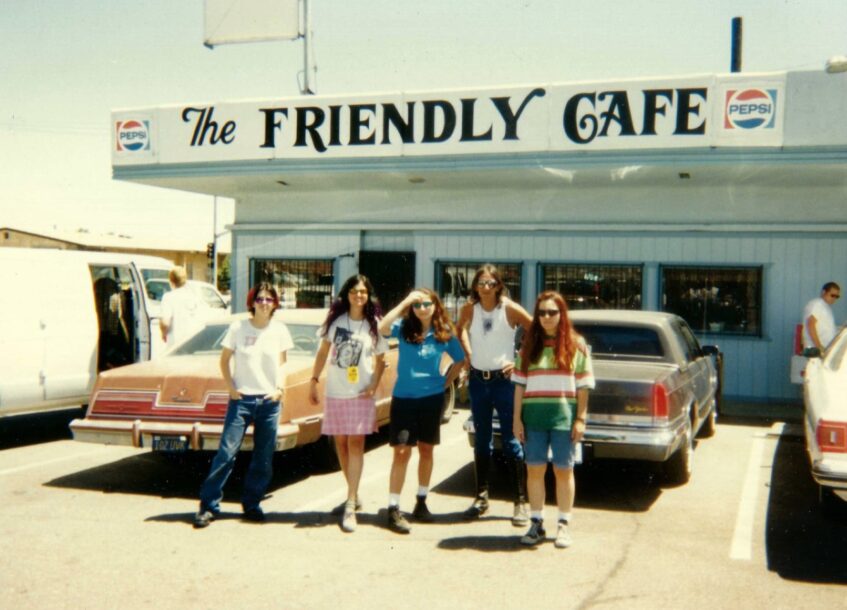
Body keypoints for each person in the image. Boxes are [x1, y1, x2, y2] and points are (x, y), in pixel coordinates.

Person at [193, 282, 293, 528]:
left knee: (263, 457)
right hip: (242, 401)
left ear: (275, 304)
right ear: (252, 302)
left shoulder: (279, 330)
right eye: (260, 299)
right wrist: (231, 388)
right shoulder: (238, 327)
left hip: (269, 403)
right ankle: (208, 506)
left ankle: (252, 504)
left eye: (269, 299)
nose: (264, 303)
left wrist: (279, 390)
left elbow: (283, 364)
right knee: (226, 453)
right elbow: (225, 360)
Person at [377, 288, 465, 534]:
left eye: (427, 303)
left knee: (426, 449)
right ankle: (393, 508)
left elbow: (460, 360)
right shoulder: (404, 328)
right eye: (417, 305)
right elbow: (382, 327)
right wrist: (405, 301)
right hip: (404, 398)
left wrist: (444, 382)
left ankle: (421, 502)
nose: (422, 308)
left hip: (431, 399)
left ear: (435, 306)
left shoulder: (444, 333)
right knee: (402, 452)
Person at [512, 291, 594, 548]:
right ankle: (536, 524)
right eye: (542, 312)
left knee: (563, 470)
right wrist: (517, 419)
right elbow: (519, 385)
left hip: (563, 419)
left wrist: (580, 418)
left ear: (562, 314)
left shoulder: (576, 344)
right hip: (533, 419)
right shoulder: (529, 344)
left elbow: (583, 386)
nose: (547, 317)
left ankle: (563, 525)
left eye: (552, 312)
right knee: (534, 470)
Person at [309, 275, 388, 533]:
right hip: (336, 392)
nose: (359, 295)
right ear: (347, 294)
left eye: (363, 291)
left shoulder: (373, 324)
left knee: (355, 444)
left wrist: (374, 385)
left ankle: (351, 504)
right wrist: (313, 380)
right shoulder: (336, 322)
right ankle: (352, 493)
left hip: (360, 394)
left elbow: (381, 359)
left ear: (368, 295)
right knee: (341, 445)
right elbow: (322, 353)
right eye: (354, 291)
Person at [456, 264, 532, 525]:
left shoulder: (508, 308)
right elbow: (460, 329)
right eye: (481, 283)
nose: (485, 287)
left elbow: (534, 328)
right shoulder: (470, 309)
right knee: (482, 440)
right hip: (479, 380)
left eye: (490, 283)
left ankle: (520, 502)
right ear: (475, 285)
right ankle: (481, 497)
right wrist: (468, 355)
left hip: (504, 382)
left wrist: (520, 359)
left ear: (499, 285)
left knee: (512, 440)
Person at [159, 266, 204, 347]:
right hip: (193, 344)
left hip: (176, 345)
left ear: (171, 281)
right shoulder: (195, 297)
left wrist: (163, 333)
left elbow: (165, 323)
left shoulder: (168, 297)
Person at [802, 281, 841, 356]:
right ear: (824, 292)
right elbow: (810, 325)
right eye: (832, 295)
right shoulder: (817, 304)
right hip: (815, 350)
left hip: (823, 351)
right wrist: (819, 346)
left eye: (837, 296)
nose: (834, 298)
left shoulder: (826, 307)